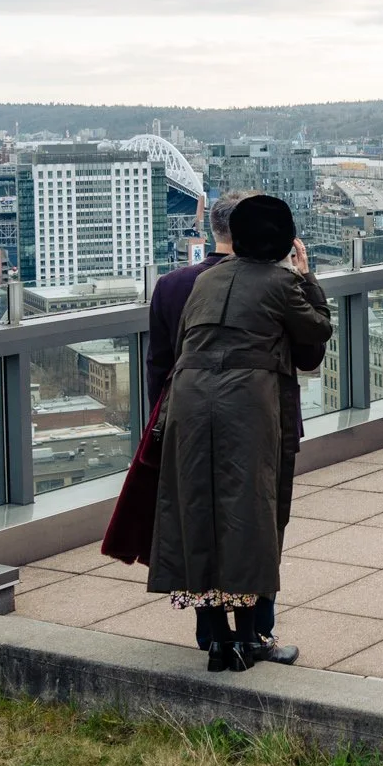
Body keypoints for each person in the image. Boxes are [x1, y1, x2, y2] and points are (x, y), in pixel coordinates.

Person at [147, 193, 333, 671]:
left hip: (188, 402)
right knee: (250, 514)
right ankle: (250, 639)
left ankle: (216, 640)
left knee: (197, 512)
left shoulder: (204, 280)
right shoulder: (280, 282)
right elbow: (317, 332)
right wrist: (306, 276)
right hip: (246, 403)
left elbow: (180, 345)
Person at [102, 191, 247, 565]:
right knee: (255, 517)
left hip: (188, 415)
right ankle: (253, 597)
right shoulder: (269, 282)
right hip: (253, 417)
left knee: (194, 512)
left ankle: (202, 596)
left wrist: (161, 423)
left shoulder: (171, 284)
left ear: (213, 229)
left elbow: (158, 365)